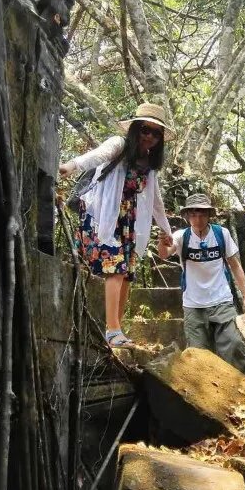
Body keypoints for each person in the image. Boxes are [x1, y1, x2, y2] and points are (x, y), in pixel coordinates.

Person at [59, 103, 173, 347]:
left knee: (127, 272)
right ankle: (112, 330)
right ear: (134, 129)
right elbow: (97, 155)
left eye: (156, 133)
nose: (149, 137)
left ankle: (116, 332)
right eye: (145, 130)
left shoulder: (149, 164)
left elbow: (155, 200)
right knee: (116, 267)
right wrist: (72, 165)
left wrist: (166, 230)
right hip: (102, 216)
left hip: (127, 221)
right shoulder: (119, 145)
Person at [158, 193, 245, 373]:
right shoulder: (181, 236)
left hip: (222, 301)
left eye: (201, 214)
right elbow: (164, 253)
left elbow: (235, 265)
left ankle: (241, 392)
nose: (197, 219)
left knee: (233, 346)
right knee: (198, 358)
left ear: (209, 215)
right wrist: (162, 242)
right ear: (187, 216)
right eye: (193, 215)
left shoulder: (221, 234)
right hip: (193, 305)